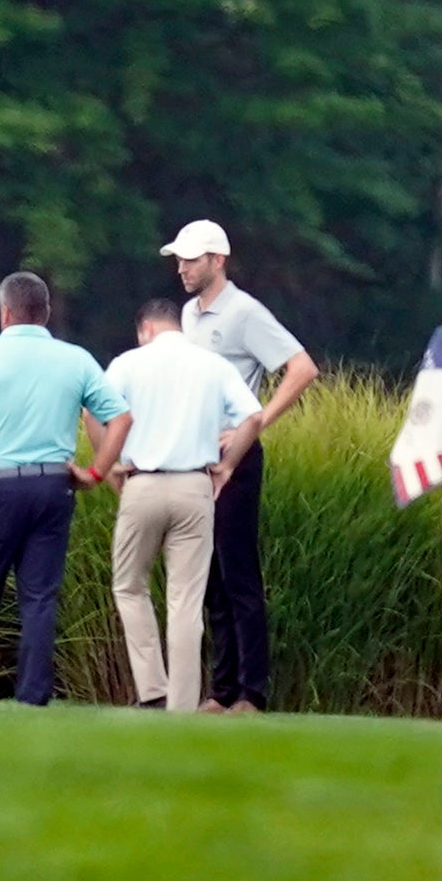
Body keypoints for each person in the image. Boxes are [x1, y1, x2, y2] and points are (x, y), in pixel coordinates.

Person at [0, 272, 131, 706]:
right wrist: (96, 472)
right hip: (53, 485)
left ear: (4, 311)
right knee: (39, 596)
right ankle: (34, 694)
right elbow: (121, 418)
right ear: (47, 312)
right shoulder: (74, 358)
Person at [162, 219, 320, 712]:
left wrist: (255, 423)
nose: (183, 267)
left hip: (236, 456)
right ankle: (221, 689)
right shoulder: (187, 314)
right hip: (196, 457)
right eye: (180, 259)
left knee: (239, 576)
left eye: (191, 259)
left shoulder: (245, 312)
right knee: (209, 577)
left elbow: (302, 368)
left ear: (218, 260)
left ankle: (252, 692)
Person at [101, 299, 264, 711]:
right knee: (186, 599)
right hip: (196, 485)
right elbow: (253, 417)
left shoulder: (127, 363)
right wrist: (227, 466)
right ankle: (183, 703)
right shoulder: (212, 365)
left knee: (129, 585)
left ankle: (152, 687)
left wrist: (109, 463)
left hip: (142, 483)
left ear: (146, 330)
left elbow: (94, 409)